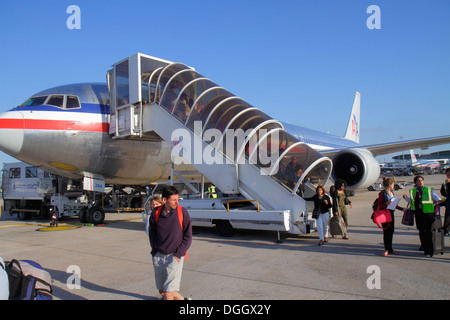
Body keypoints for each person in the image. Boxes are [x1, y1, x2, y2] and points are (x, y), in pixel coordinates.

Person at [148, 186, 192, 300]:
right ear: (164, 200)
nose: (177, 202)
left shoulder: (182, 212)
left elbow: (188, 236)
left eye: (178, 199)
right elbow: (152, 234)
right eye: (174, 200)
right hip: (159, 256)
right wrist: (155, 251)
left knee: (168, 293)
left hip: (175, 256)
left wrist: (178, 255)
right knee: (163, 290)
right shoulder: (155, 213)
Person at [403, 175, 441, 257]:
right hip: (418, 213)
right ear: (415, 183)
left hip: (428, 213)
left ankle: (430, 250)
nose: (421, 182)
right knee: (421, 230)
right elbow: (412, 201)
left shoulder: (428, 189)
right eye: (418, 180)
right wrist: (406, 199)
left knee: (428, 231)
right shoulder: (413, 191)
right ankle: (423, 246)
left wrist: (438, 205)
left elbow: (437, 198)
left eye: (422, 180)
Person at [377, 177, 406, 256]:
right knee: (386, 232)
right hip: (385, 214)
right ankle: (386, 249)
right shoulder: (382, 193)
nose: (394, 185)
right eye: (393, 184)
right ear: (389, 185)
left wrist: (402, 209)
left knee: (391, 231)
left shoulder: (392, 193)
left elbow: (394, 204)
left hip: (391, 213)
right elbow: (380, 205)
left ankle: (390, 249)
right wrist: (386, 203)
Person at [440, 167, 450, 235]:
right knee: (447, 217)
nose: (449, 177)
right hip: (448, 203)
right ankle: (446, 230)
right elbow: (443, 192)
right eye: (448, 175)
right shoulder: (445, 183)